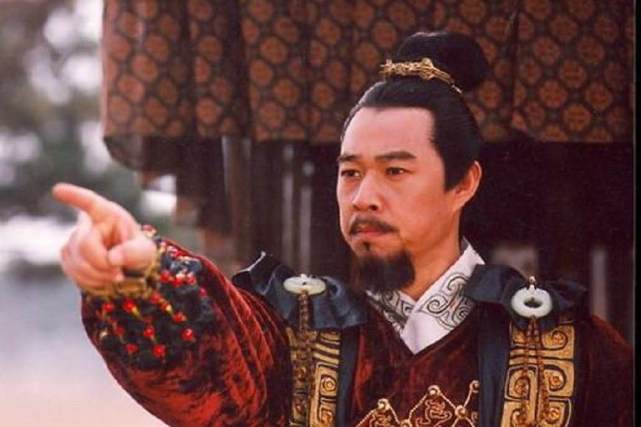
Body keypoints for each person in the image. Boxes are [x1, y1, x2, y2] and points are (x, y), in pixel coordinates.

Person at [54, 31, 631, 427]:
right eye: (350, 172)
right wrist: (141, 275)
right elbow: (210, 361)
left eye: (395, 171)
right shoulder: (293, 338)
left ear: (463, 184)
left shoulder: (566, 348)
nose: (363, 196)